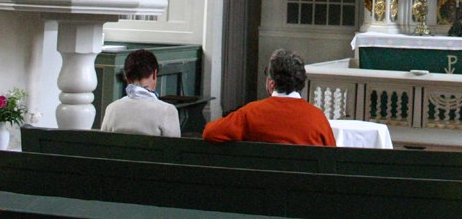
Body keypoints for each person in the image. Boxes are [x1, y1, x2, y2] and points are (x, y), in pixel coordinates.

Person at [202, 49, 335, 146]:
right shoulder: (317, 117)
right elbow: (331, 155)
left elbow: (210, 132)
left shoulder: (251, 112)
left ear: (271, 84)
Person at [100, 49, 181, 137]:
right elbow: (174, 149)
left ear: (127, 77)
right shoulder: (167, 111)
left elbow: (103, 146)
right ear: (154, 74)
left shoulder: (112, 109)